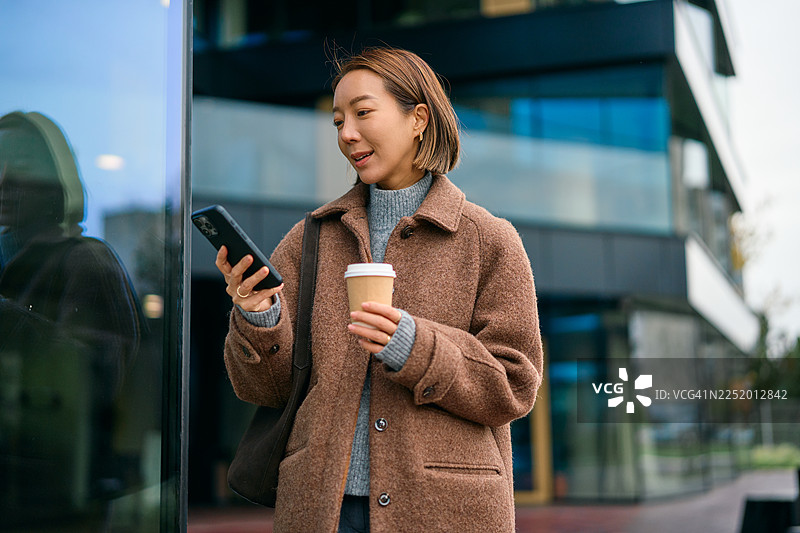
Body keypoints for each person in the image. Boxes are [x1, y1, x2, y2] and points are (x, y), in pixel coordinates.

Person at [216, 47, 543, 532]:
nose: (347, 134)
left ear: (418, 118)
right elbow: (265, 389)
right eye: (338, 121)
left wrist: (416, 345)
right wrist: (259, 314)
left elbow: (515, 385)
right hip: (321, 508)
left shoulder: (489, 240)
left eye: (363, 113)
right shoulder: (311, 238)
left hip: (446, 509)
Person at [0, 111, 141, 525]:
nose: (4, 180)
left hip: (55, 493)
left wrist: (10, 320)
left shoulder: (86, 260)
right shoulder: (6, 255)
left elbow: (99, 376)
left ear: (55, 179)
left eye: (21, 167)